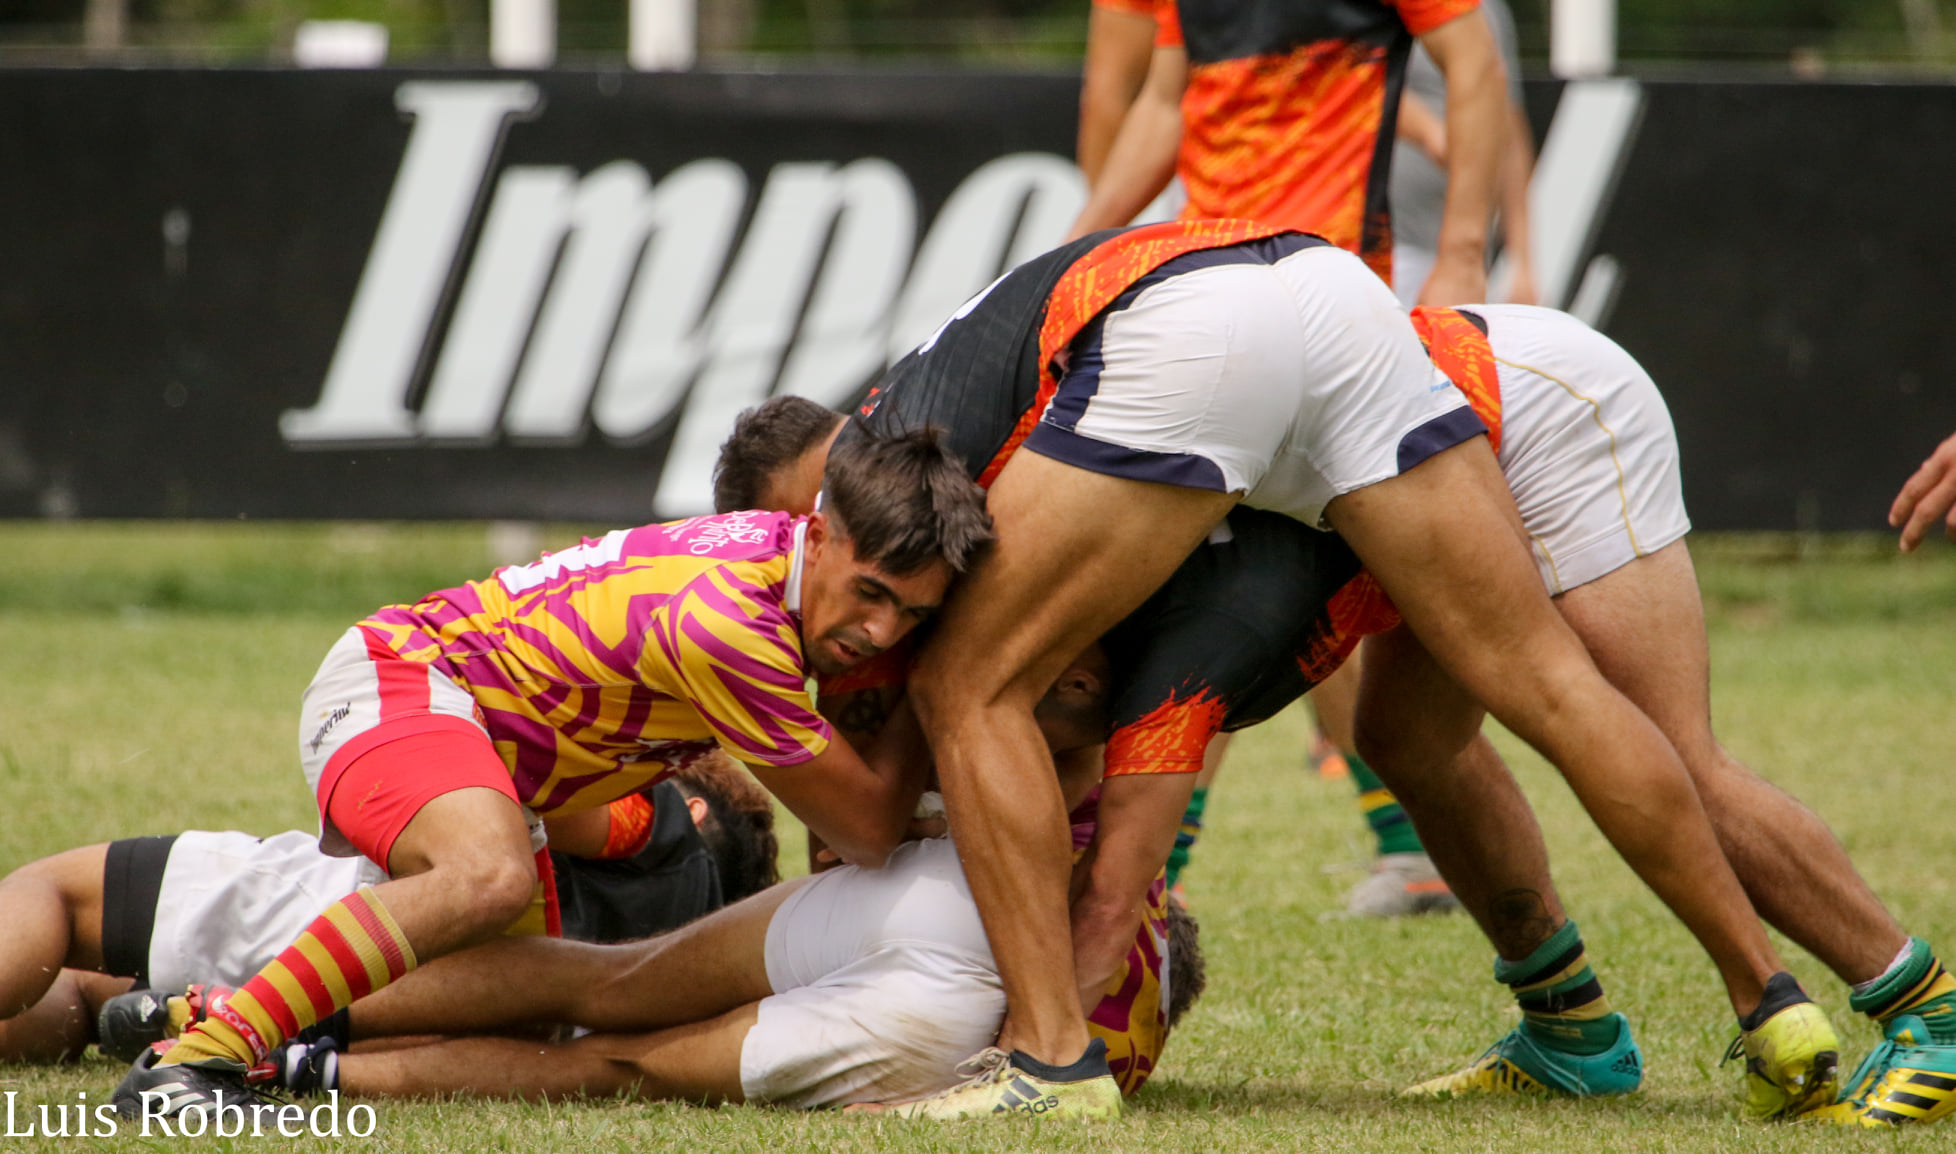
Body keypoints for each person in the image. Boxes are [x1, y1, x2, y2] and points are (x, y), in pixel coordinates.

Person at [706, 220, 1834, 1122]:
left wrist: (1015, 999)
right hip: (1317, 290)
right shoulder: (1104, 577)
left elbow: (1082, 880)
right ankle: (1760, 993)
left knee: (967, 686)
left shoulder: (1106, 631)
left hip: (1402, 363)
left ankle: (1045, 1068)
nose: (828, 602)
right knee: (1508, 701)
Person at [111, 428, 994, 1118]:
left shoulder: (776, 558)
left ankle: (215, 1018)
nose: (880, 633)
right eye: (872, 593)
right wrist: (943, 681)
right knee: (483, 876)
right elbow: (867, 833)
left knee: (523, 1026)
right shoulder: (733, 625)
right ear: (824, 531)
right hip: (409, 680)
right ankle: (199, 1062)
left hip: (486, 752)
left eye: (914, 616)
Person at [0, 760, 776, 1065]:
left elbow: (523, 784)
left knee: (57, 896)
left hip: (336, 918)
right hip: (364, 1025)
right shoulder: (674, 973)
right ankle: (181, 1014)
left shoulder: (664, 824)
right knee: (86, 998)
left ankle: (195, 1009)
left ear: (697, 808)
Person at [1068, 0, 1507, 306]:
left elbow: (1477, 63)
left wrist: (1462, 258)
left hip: (1329, 274)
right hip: (1203, 270)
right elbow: (1165, 103)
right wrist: (1076, 250)